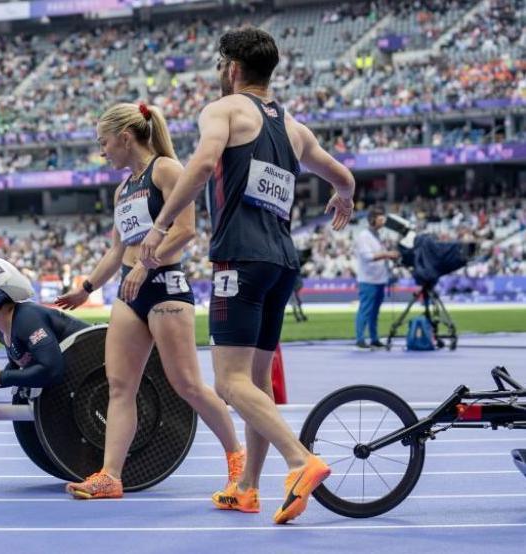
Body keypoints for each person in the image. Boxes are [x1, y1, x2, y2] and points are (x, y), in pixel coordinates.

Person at [139, 27, 355, 524]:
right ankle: (247, 488)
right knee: (256, 381)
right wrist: (342, 196)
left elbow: (202, 164)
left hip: (240, 261)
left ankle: (300, 461)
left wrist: (160, 225)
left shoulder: (224, 110)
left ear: (232, 68)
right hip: (282, 265)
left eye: (220, 66)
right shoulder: (295, 129)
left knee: (230, 383)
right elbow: (343, 176)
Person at [56, 102, 244, 500]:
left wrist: (147, 262)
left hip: (164, 287)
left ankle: (238, 459)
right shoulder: (122, 189)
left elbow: (187, 230)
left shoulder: (166, 170)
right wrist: (86, 288)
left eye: (103, 141)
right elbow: (116, 250)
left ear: (125, 137)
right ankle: (110, 475)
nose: (101, 150)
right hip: (129, 290)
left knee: (187, 385)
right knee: (120, 386)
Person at [0, 256, 88, 390]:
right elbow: (17, 367)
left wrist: (1, 378)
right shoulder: (2, 331)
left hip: (97, 363)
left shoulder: (27, 319)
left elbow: (52, 371)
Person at [354, 206, 399, 350]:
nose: (383, 222)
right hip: (368, 280)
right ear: (372, 220)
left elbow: (380, 255)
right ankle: (360, 339)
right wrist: (387, 254)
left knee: (375, 312)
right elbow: (367, 257)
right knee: (365, 310)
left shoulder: (378, 235)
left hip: (380, 279)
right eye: (381, 219)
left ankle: (374, 338)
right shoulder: (363, 236)